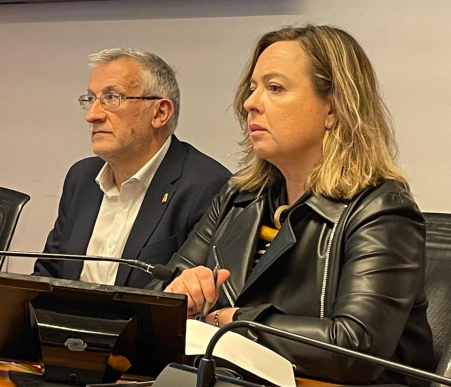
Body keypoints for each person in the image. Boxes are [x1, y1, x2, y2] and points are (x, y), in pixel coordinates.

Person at [152, 25, 435, 384]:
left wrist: (232, 320)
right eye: (252, 88)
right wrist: (178, 295)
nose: (250, 103)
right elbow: (153, 304)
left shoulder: (382, 210)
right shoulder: (237, 197)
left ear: (333, 109)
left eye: (275, 88)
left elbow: (355, 348)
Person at [33, 48, 230, 288]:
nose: (92, 115)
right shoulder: (81, 178)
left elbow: (193, 300)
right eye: (90, 99)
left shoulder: (206, 187)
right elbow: (48, 274)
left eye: (111, 98)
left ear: (160, 113)